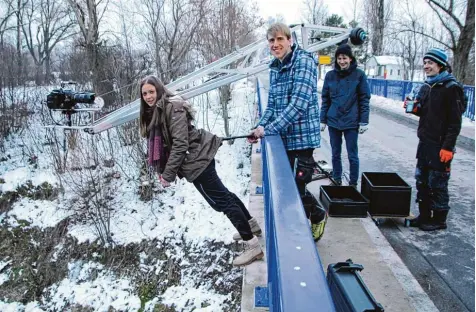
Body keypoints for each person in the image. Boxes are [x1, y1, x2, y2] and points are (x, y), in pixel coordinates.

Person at [139, 75, 263, 266]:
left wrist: (167, 175)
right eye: (145, 93)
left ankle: (252, 245)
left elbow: (180, 144)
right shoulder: (159, 110)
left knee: (221, 202)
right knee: (225, 196)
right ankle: (251, 224)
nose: (148, 96)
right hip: (197, 157)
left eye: (151, 92)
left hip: (197, 160)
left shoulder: (172, 108)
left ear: (159, 90)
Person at [248, 22, 326, 241]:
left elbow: (298, 105)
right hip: (284, 137)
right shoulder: (275, 67)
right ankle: (296, 226)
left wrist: (268, 129)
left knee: (296, 190)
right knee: (287, 187)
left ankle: (317, 217)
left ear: (290, 41)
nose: (275, 44)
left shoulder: (303, 62)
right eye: (271, 40)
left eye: (280, 39)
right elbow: (271, 106)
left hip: (301, 139)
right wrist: (259, 128)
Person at [403, 48, 465, 231]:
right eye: (425, 62)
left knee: (437, 183)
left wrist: (448, 147)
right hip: (425, 143)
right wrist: (414, 109)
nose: (426, 66)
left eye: (430, 63)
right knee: (421, 181)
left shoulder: (451, 88)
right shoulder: (427, 86)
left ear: (440, 65)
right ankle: (424, 215)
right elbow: (425, 112)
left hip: (441, 146)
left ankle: (439, 220)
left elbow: (455, 122)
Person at [320, 43, 370, 187]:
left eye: (345, 58)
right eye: (339, 58)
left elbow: (364, 99)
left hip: (351, 122)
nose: (342, 61)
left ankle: (353, 183)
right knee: (335, 153)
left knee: (352, 155)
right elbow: (326, 99)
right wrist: (322, 119)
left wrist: (364, 121)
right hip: (334, 121)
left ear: (350, 59)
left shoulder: (359, 75)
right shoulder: (330, 76)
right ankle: (337, 178)